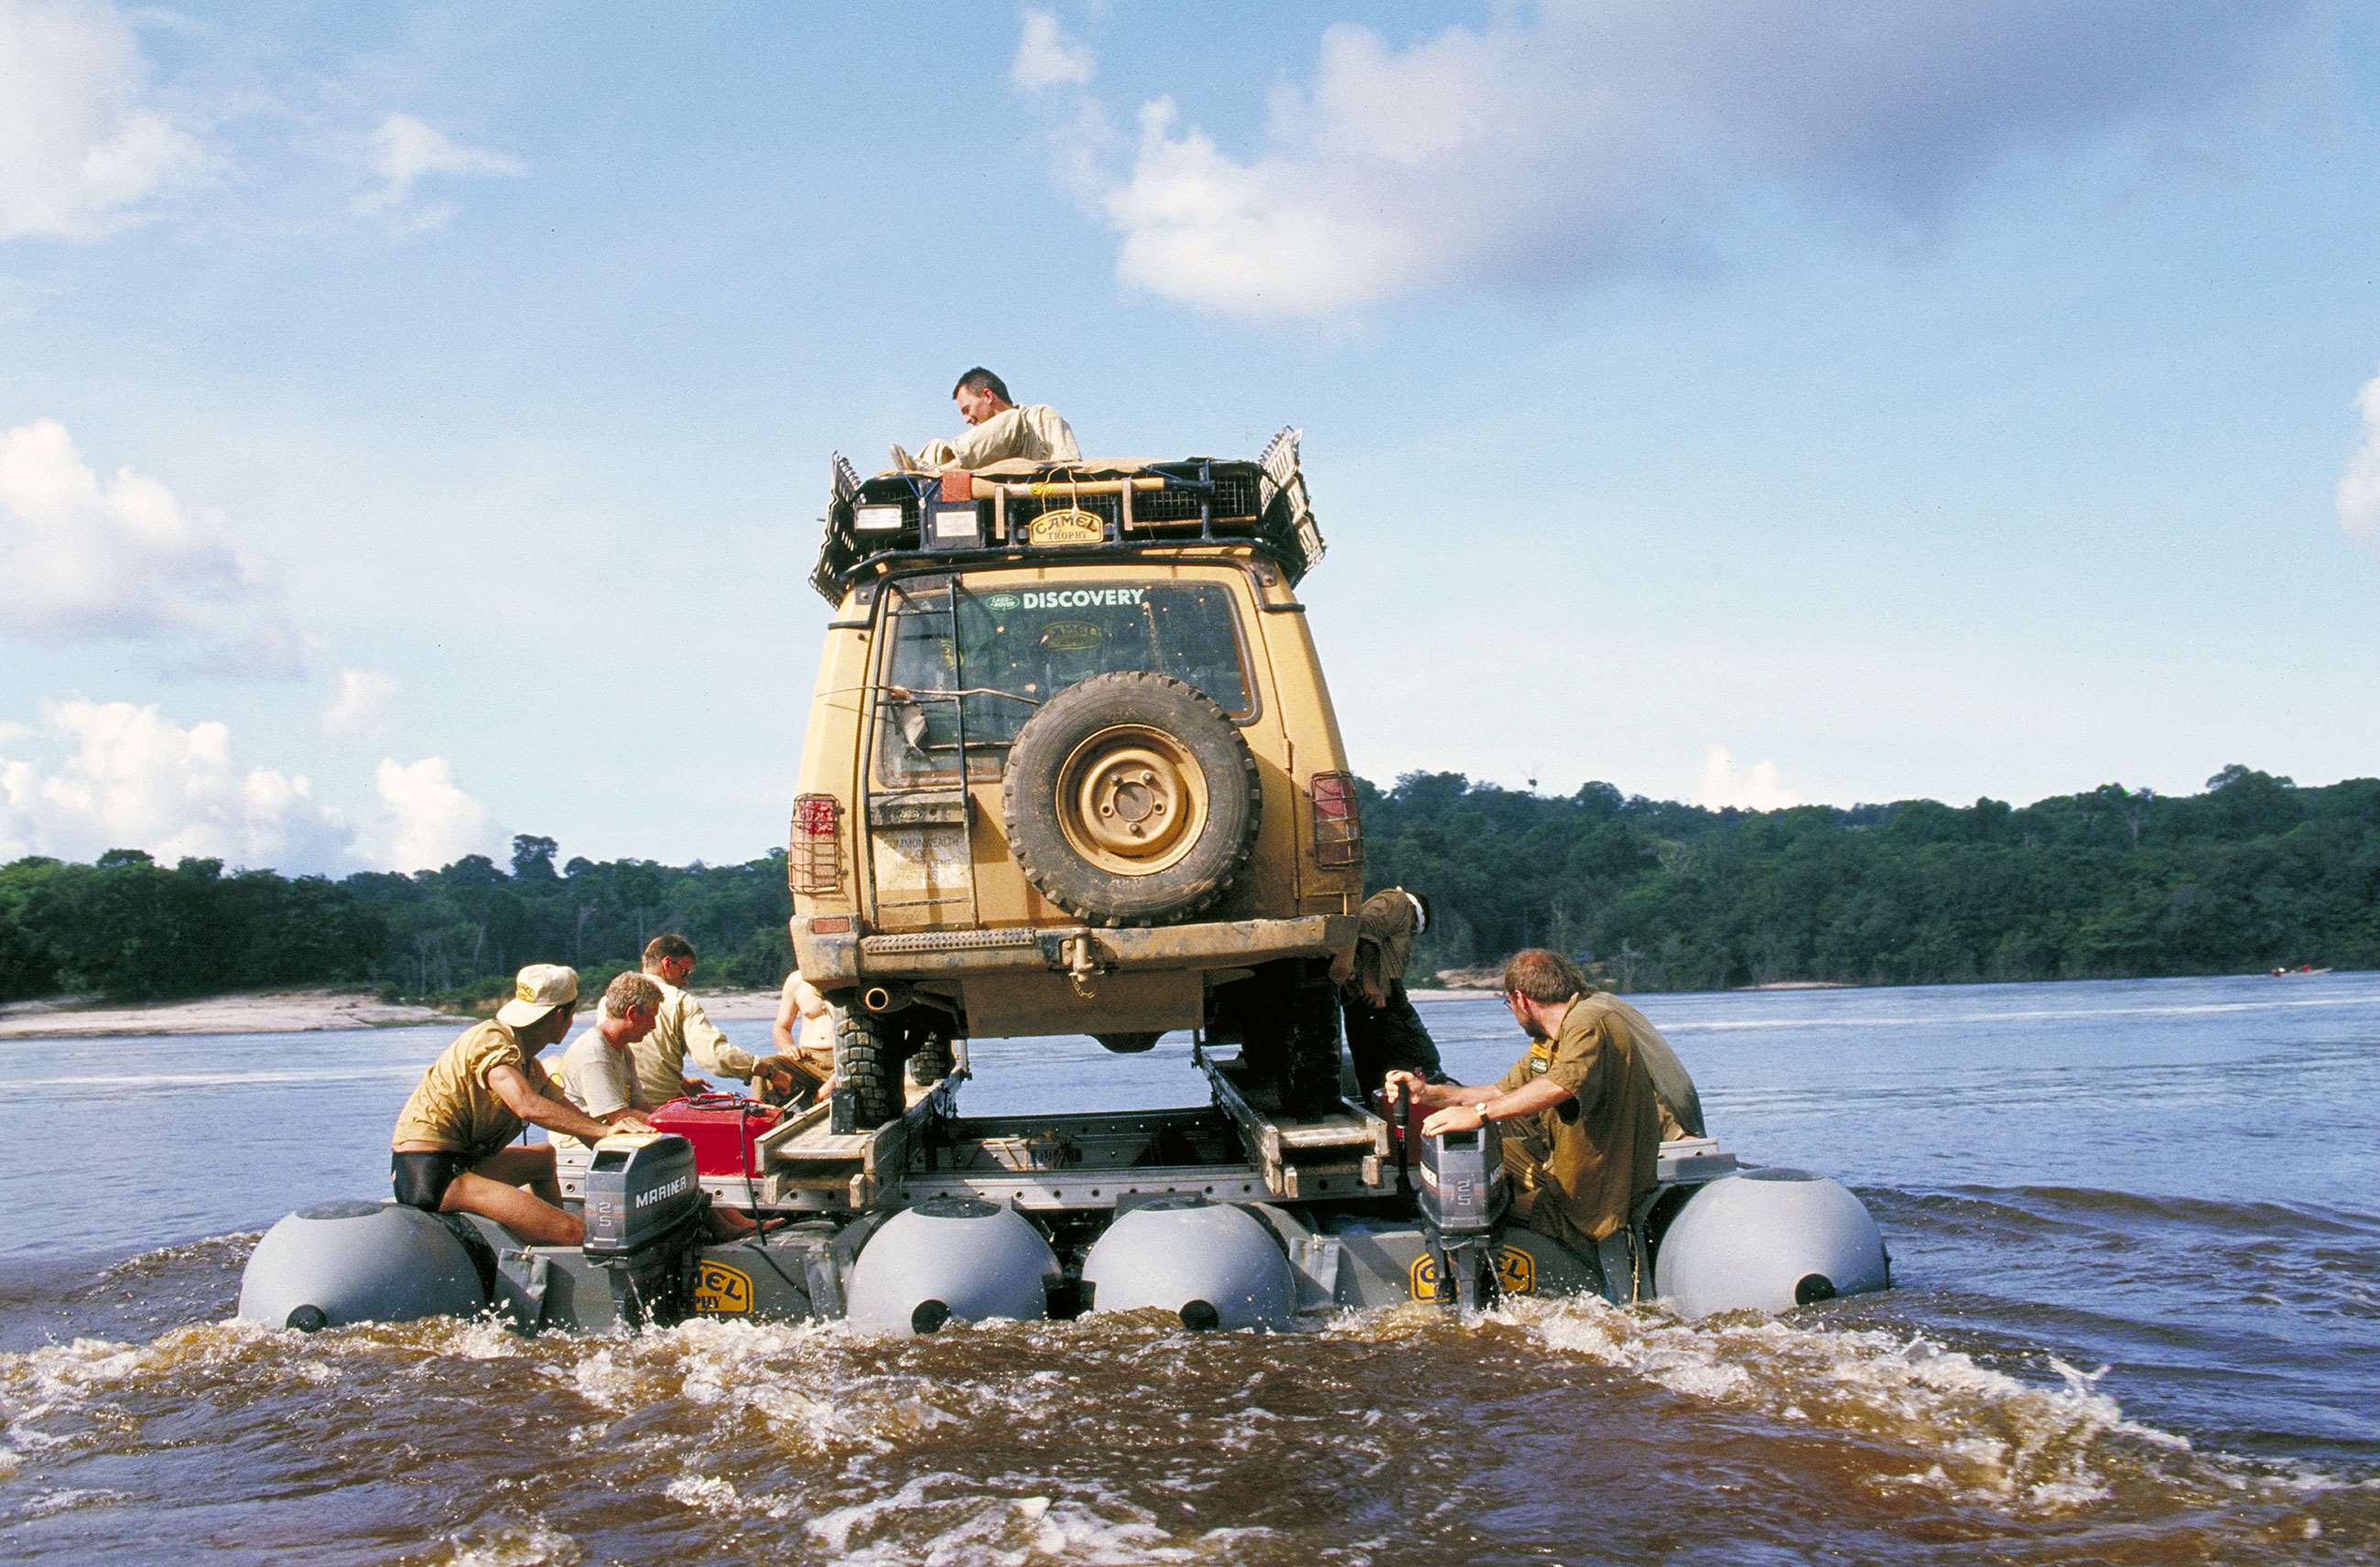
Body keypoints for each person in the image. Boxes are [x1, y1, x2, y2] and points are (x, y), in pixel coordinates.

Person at [1388, 948, 1662, 1255]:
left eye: (1509, 1003)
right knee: (1476, 1157)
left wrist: (1480, 1115)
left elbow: (1560, 1085)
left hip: (1593, 1191)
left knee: (1483, 1208)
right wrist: (1426, 1093)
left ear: (1521, 999)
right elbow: (1501, 1092)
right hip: (1557, 1162)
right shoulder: (1551, 1038)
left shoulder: (1588, 1021)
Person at [390, 964, 646, 1246]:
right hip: (432, 1174)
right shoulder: (491, 1039)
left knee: (544, 1157)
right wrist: (606, 1132)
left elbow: (579, 1123)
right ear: (563, 1015)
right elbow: (526, 1105)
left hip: (462, 1162)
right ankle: (565, 1236)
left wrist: (632, 1152)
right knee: (574, 1230)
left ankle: (551, 1240)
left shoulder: (530, 1067)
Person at [621, 934, 806, 1108]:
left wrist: (680, 1083)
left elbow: (640, 1058)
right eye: (685, 972)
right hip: (658, 1106)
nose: (686, 982)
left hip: (621, 1101)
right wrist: (770, 1072)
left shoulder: (612, 999)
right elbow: (714, 1056)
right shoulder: (679, 1001)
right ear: (667, 963)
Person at [1332, 887, 1449, 1092]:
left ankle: (1381, 1103)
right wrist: (1370, 982)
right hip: (1380, 996)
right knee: (1423, 1055)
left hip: (1363, 998)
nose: (1410, 935)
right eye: (1413, 929)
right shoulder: (1399, 901)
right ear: (1414, 911)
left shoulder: (1393, 910)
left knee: (1371, 1058)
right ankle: (1427, 1095)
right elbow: (1368, 926)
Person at [551, 970, 667, 1156]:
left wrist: (675, 1119)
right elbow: (619, 1116)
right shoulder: (594, 1050)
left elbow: (641, 1107)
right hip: (579, 1146)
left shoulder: (623, 1049)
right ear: (633, 1013)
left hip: (610, 1136)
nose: (653, 1025)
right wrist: (672, 1127)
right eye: (651, 1016)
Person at [892, 367, 1079, 473]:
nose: (966, 419)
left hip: (1034, 483)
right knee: (937, 446)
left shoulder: (1040, 416)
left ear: (988, 396)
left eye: (967, 410)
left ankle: (937, 473)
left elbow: (1070, 469)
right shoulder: (982, 442)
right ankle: (918, 475)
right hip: (987, 497)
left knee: (1013, 419)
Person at [768, 967, 840, 1105]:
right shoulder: (796, 980)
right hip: (807, 1059)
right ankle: (762, 1116)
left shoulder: (851, 980)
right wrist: (788, 1047)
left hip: (843, 1058)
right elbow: (781, 1027)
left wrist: (834, 1080)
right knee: (768, 1065)